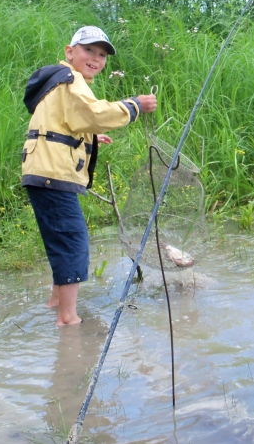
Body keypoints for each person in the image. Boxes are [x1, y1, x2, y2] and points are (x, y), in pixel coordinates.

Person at [21, 26, 157, 326]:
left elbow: (66, 119)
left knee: (59, 239)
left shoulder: (58, 80)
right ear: (70, 52)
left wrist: (91, 137)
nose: (96, 58)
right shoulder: (71, 79)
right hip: (52, 173)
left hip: (40, 170)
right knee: (73, 242)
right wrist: (135, 105)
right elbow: (95, 113)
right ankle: (68, 319)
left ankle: (56, 302)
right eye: (89, 51)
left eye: (102, 55)